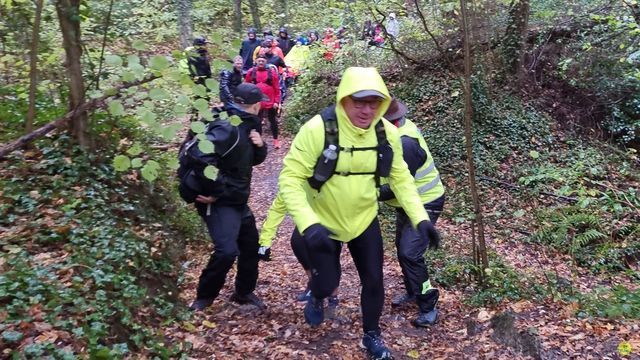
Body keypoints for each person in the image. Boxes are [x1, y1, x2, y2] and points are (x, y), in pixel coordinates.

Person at [278, 67, 440, 360]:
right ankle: (317, 294)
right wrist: (308, 222)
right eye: (359, 102)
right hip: (322, 221)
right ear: (343, 100)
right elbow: (289, 178)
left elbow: (401, 178)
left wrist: (421, 219)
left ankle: (371, 336)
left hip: (364, 219)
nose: (366, 110)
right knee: (327, 282)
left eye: (373, 103)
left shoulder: (386, 133)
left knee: (374, 280)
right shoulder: (317, 130)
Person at [186, 83, 269, 312]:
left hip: (237, 199)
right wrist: (216, 191)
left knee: (250, 245)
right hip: (221, 201)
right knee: (226, 251)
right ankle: (204, 298)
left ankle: (243, 292)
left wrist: (260, 146)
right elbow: (200, 156)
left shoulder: (246, 125)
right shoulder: (227, 127)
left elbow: (250, 160)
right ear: (256, 105)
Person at [379, 98, 445, 327]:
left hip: (426, 202)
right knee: (402, 248)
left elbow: (397, 184)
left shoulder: (405, 142)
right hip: (408, 204)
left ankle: (428, 304)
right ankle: (412, 290)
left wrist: (368, 192)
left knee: (410, 253)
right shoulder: (394, 132)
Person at [258, 193, 341, 317]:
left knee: (329, 251)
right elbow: (278, 208)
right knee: (298, 242)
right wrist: (265, 241)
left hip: (334, 215)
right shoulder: (294, 179)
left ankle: (333, 300)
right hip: (310, 219)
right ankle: (314, 286)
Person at [245, 54, 281, 149]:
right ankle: (258, 140)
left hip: (270, 101)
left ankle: (276, 140)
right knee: (257, 121)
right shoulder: (251, 72)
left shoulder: (272, 72)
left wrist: (276, 102)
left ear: (266, 62)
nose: (261, 63)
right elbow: (246, 87)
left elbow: (277, 88)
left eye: (263, 61)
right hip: (256, 102)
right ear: (256, 61)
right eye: (259, 61)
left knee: (273, 120)